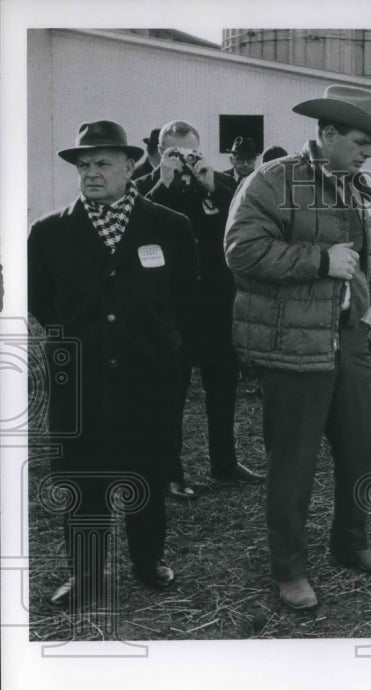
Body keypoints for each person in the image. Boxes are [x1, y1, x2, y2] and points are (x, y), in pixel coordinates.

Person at [225, 85, 371, 610]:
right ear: (325, 134)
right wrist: (319, 261)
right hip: (293, 348)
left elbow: (370, 258)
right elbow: (241, 250)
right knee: (294, 465)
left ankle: (352, 542)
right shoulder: (272, 181)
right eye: (359, 140)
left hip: (349, 342)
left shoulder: (357, 189)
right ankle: (289, 570)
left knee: (359, 450)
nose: (368, 151)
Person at [28, 120, 198, 608]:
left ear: (130, 166)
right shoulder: (49, 232)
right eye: (84, 165)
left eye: (102, 163)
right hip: (80, 379)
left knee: (145, 470)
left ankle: (147, 561)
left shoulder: (170, 226)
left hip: (149, 376)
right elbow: (42, 302)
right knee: (83, 479)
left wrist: (152, 342)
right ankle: (85, 575)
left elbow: (185, 297)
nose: (91, 173)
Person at [135, 120, 264, 498]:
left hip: (215, 305)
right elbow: (136, 225)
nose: (185, 161)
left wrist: (213, 185)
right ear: (160, 153)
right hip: (171, 308)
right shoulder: (146, 190)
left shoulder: (219, 186)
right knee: (171, 395)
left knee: (223, 387)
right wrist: (164, 181)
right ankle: (170, 471)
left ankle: (224, 463)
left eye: (191, 153)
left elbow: (244, 224)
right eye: (175, 153)